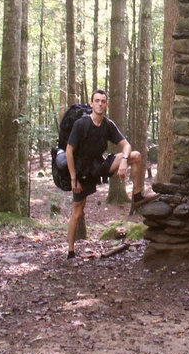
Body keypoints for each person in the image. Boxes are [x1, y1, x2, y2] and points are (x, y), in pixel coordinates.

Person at [65, 89, 158, 259]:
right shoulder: (81, 124)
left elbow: (127, 145)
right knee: (77, 212)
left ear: (106, 104)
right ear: (91, 103)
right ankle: (70, 252)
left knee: (135, 156)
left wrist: (123, 160)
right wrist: (73, 178)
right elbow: (69, 151)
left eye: (103, 101)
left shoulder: (108, 125)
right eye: (97, 101)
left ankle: (137, 196)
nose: (100, 104)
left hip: (100, 166)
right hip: (83, 172)